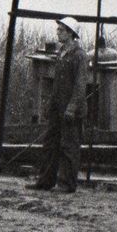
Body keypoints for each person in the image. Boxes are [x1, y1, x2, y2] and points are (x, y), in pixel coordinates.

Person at [33, 17, 87, 193]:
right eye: (58, 29)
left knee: (69, 146)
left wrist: (72, 108)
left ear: (71, 33)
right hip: (57, 107)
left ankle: (67, 184)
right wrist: (50, 105)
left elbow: (80, 85)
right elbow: (57, 83)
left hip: (71, 109)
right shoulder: (61, 52)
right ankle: (45, 181)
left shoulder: (79, 55)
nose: (57, 32)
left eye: (61, 30)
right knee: (50, 144)